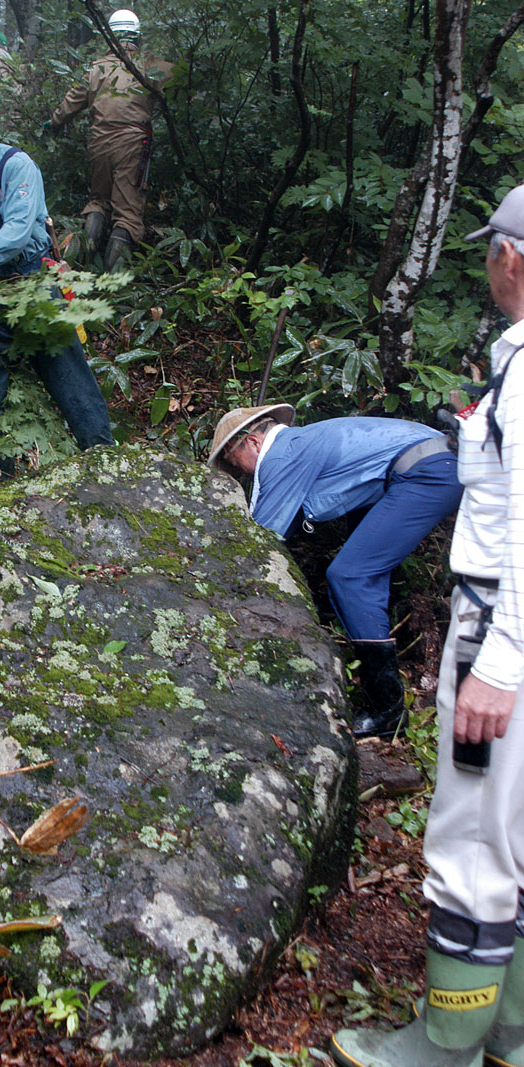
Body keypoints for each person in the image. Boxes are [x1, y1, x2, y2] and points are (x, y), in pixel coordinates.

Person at [329, 186, 524, 1067]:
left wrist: (499, 662)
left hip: (499, 625)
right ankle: (510, 1033)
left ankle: (445, 1047)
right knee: (516, 827)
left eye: (490, 251)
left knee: (473, 833)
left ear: (509, 256)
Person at [208, 404, 462, 737]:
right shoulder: (304, 441)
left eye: (233, 462)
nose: (240, 473)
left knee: (350, 576)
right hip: (438, 461)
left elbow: (260, 538)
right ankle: (381, 676)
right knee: (359, 564)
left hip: (426, 471)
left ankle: (388, 711)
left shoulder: (281, 454)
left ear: (253, 443)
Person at [0, 70, 113, 452]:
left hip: (35, 290)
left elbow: (16, 233)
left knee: (71, 382)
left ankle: (102, 455)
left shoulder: (17, 167)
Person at [47, 8, 174, 269]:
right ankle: (113, 282)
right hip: (133, 144)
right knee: (127, 212)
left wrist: (54, 122)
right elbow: (184, 78)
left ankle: (82, 265)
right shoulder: (150, 65)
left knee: (98, 200)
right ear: (136, 35)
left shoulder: (97, 68)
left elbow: (72, 101)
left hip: (99, 143)